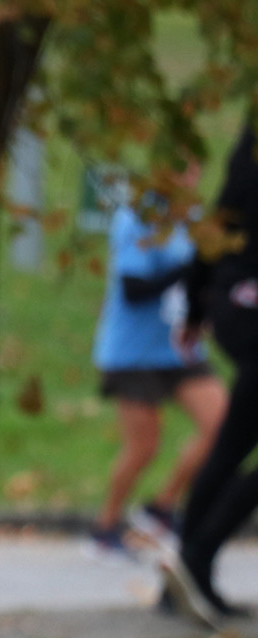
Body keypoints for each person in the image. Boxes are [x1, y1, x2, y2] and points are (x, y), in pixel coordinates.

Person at [86, 177, 226, 561]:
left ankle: (161, 508)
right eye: (181, 165)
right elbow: (133, 289)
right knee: (144, 446)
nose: (190, 174)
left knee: (221, 427)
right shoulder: (139, 217)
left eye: (194, 166)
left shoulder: (195, 218)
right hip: (133, 353)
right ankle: (105, 527)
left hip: (181, 348)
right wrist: (189, 269)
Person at [171, 121, 258, 624]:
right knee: (232, 445)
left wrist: (193, 307)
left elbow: (216, 226)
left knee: (231, 445)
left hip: (232, 303)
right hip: (250, 308)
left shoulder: (247, 154)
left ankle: (184, 574)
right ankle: (195, 557)